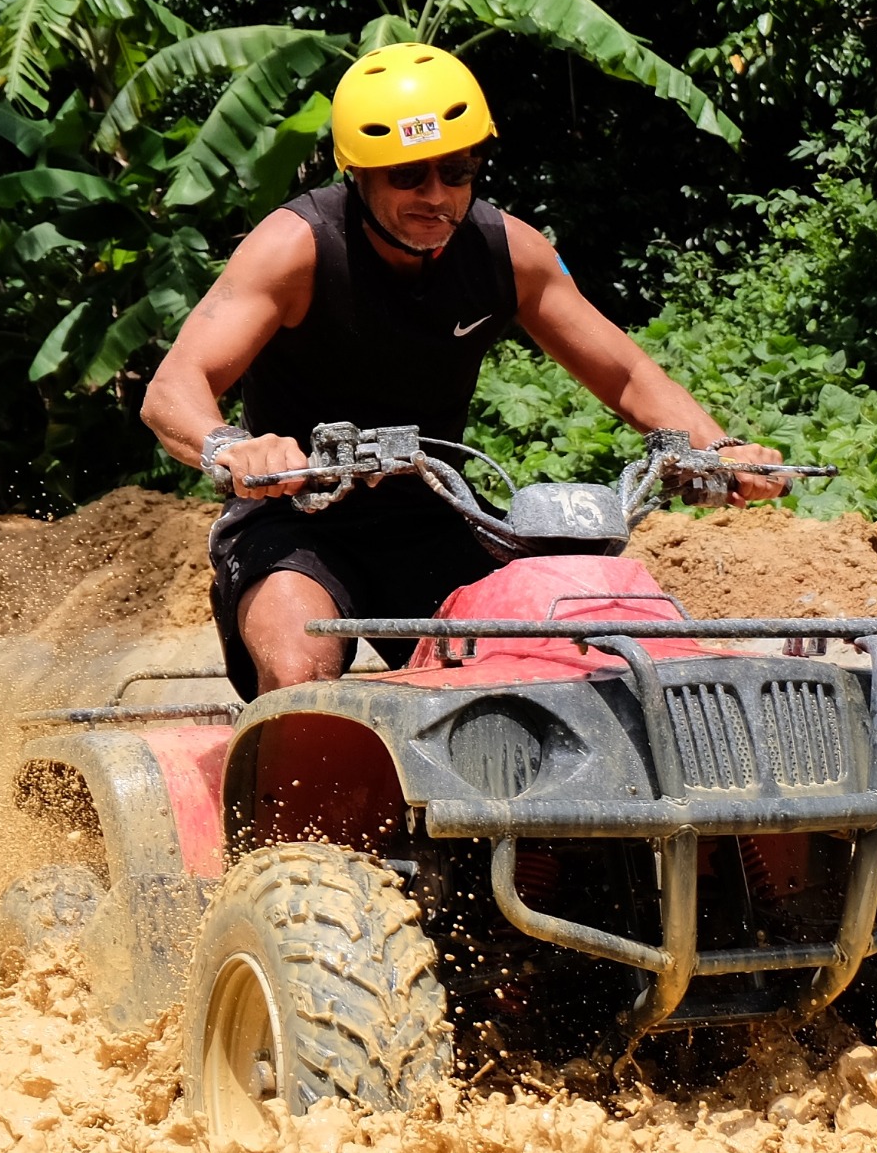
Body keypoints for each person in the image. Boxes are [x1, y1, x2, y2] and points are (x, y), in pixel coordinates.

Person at [140, 43, 787, 698]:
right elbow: (172, 390)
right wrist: (233, 449)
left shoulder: (512, 253)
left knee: (536, 661)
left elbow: (625, 374)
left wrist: (721, 451)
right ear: (358, 175)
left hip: (432, 513)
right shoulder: (295, 248)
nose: (437, 195)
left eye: (457, 170)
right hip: (294, 521)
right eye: (408, 176)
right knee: (299, 667)